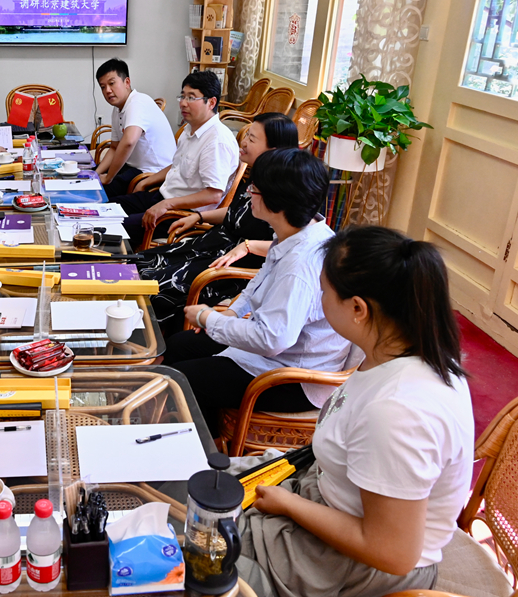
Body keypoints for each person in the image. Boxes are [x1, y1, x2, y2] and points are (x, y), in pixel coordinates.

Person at [237, 225, 474, 597]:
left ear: (358, 309)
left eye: (324, 292)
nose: (320, 299)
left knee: (193, 558)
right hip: (323, 495)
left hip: (350, 562)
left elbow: (392, 553)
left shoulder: (398, 412)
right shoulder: (404, 356)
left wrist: (290, 505)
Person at [164, 147, 350, 434]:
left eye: (254, 188)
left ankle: (203, 447)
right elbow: (260, 280)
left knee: (179, 380)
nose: (248, 193)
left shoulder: (301, 266)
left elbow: (272, 340)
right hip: (276, 352)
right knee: (179, 345)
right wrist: (230, 313)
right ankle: (208, 429)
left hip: (292, 376)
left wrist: (208, 318)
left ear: (277, 202)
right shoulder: (299, 231)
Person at [138, 113, 298, 327]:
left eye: (251, 139)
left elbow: (294, 246)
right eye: (247, 135)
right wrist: (199, 216)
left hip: (232, 264)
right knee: (140, 264)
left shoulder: (285, 191)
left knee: (157, 287)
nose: (243, 142)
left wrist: (248, 246)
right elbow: (236, 213)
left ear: (274, 150)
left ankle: (144, 336)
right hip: (212, 245)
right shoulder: (258, 174)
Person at [112, 71, 238, 248]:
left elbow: (213, 194)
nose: (183, 103)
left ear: (211, 102)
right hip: (163, 197)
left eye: (191, 97)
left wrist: (167, 204)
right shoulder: (190, 129)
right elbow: (177, 165)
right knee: (109, 209)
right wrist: (146, 182)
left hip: (180, 213)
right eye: (182, 96)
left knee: (115, 229)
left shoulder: (217, 140)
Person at [94, 58, 176, 199]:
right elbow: (114, 148)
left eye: (112, 83)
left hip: (153, 173)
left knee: (99, 194)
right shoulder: (118, 109)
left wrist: (108, 177)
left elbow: (128, 142)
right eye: (103, 87)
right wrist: (95, 174)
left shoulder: (138, 102)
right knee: (90, 181)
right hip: (132, 167)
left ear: (127, 82)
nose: (107, 90)